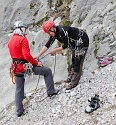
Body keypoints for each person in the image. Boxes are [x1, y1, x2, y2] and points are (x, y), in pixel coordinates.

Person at [8, 20, 59, 117]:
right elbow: (26, 56)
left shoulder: (11, 41)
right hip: (25, 66)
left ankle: (19, 110)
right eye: (25, 29)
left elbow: (16, 55)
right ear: (21, 29)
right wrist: (36, 63)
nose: (26, 31)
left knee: (19, 88)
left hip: (16, 68)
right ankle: (51, 91)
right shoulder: (23, 39)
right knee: (47, 71)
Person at [35, 20, 89, 90]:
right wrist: (39, 55)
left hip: (82, 40)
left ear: (53, 28)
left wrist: (55, 50)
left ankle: (74, 82)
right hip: (74, 43)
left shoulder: (61, 31)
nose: (49, 34)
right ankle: (70, 77)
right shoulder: (54, 33)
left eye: (49, 32)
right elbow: (48, 44)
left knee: (78, 61)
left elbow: (66, 45)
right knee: (73, 60)